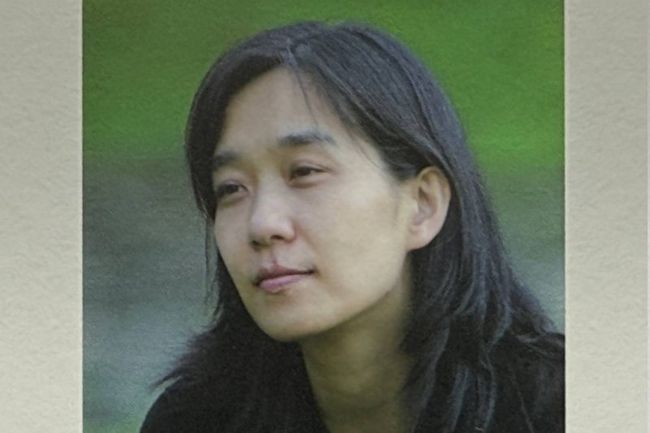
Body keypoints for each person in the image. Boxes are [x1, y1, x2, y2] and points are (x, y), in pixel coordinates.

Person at [140, 21, 564, 433]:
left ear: (422, 205)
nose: (262, 224)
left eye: (304, 171)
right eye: (231, 188)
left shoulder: (562, 409)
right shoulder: (195, 419)